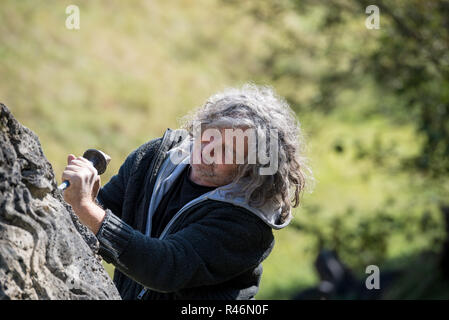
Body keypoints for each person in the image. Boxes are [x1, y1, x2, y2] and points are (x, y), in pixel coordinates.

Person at [61, 84, 310, 300]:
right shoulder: (154, 158)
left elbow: (166, 267)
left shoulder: (247, 225)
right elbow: (95, 219)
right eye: (208, 136)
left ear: (251, 169)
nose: (206, 152)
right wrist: (80, 202)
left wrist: (86, 207)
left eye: (228, 151)